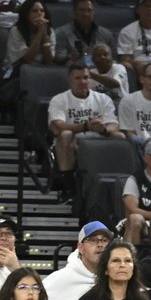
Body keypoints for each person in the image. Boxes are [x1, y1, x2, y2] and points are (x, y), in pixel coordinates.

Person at [48, 62, 123, 201]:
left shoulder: (103, 99)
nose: (83, 82)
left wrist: (103, 128)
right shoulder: (59, 100)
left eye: (86, 77)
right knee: (65, 134)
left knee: (120, 136)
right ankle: (67, 184)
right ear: (70, 80)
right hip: (73, 141)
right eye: (78, 78)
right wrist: (86, 127)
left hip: (97, 140)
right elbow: (58, 125)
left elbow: (113, 124)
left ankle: (120, 185)